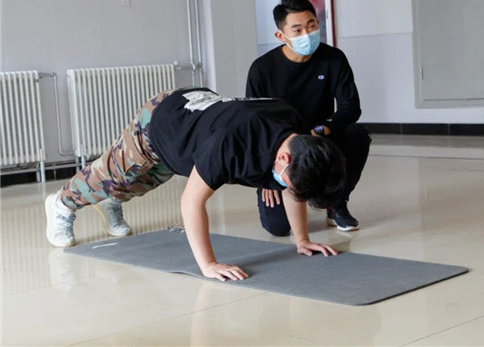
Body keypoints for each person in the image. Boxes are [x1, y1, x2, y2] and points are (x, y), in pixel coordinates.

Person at [44, 87, 346, 281]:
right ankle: (61, 204)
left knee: (143, 182)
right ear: (283, 157)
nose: (289, 188)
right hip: (160, 122)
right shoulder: (232, 142)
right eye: (291, 181)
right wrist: (208, 264)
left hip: (191, 133)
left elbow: (293, 190)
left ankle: (113, 201)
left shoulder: (297, 135)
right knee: (109, 176)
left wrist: (301, 239)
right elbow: (191, 201)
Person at [246, 0, 371, 236]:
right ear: (280, 36)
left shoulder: (333, 59)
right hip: (281, 149)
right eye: (297, 29)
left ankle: (335, 203)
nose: (307, 34)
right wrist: (265, 177)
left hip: (320, 137)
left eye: (311, 26)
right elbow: (255, 125)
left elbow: (350, 107)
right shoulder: (262, 69)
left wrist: (321, 130)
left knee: (357, 135)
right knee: (278, 228)